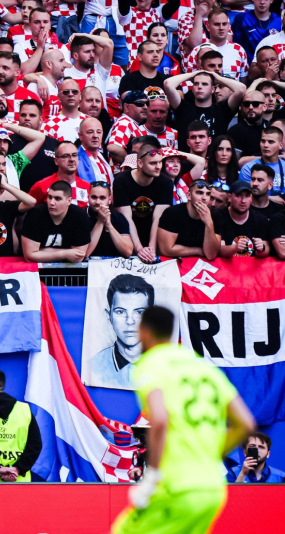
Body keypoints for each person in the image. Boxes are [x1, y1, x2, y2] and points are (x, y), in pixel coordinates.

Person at [111, 306, 256, 534]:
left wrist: (152, 477)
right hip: (212, 490)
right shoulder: (204, 368)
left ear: (144, 331)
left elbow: (159, 419)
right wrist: (210, 456)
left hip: (176, 487)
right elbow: (245, 423)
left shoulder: (152, 364)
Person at [112, 138, 173, 263]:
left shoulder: (165, 182)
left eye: (160, 162)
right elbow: (126, 218)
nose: (158, 167)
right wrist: (139, 248)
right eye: (153, 163)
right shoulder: (121, 181)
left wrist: (151, 249)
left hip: (153, 235)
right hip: (128, 238)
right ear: (140, 163)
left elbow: (158, 218)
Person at [165, 70, 246, 149]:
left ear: (213, 89)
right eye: (196, 84)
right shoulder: (183, 108)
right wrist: (192, 74)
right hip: (187, 157)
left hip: (214, 158)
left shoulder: (221, 110)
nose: (199, 87)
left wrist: (218, 78)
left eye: (204, 84)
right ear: (192, 89)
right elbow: (168, 84)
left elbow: (241, 89)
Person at [21, 180, 90, 263]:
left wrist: (41, 251)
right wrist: (65, 254)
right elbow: (29, 256)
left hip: (70, 269)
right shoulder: (36, 214)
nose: (52, 203)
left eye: (57, 199)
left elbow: (78, 256)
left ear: (69, 201)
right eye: (50, 197)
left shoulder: (79, 216)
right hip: (37, 269)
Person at [157, 180, 220, 260]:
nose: (204, 198)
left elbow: (211, 255)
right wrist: (198, 250)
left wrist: (209, 223)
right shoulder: (173, 213)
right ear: (189, 195)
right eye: (199, 193)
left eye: (208, 194)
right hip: (174, 262)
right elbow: (166, 250)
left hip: (201, 264)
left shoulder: (214, 217)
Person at [214, 180, 271, 258]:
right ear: (230, 198)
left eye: (247, 196)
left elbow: (266, 250)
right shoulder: (218, 216)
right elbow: (219, 250)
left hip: (251, 265)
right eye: (238, 195)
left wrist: (262, 249)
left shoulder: (261, 219)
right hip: (226, 264)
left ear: (251, 198)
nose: (243, 201)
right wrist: (234, 248)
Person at [28, 142, 94, 208]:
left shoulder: (88, 187)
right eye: (66, 156)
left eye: (74, 155)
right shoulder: (41, 186)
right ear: (56, 161)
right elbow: (28, 209)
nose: (71, 159)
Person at [87, 182, 133, 258]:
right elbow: (85, 253)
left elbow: (128, 251)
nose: (97, 202)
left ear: (109, 200)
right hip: (89, 264)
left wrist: (109, 225)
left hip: (114, 264)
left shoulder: (118, 218)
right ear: (88, 198)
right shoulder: (81, 216)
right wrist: (100, 222)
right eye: (94, 197)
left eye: (102, 198)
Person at [106, 91, 148, 167]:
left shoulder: (130, 123)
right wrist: (135, 166)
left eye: (147, 104)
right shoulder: (125, 122)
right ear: (127, 107)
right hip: (120, 172)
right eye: (140, 103)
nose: (145, 107)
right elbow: (113, 148)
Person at [40, 78, 87, 143]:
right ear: (58, 97)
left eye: (74, 91)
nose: (70, 94)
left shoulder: (90, 121)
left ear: (80, 96)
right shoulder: (49, 125)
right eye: (66, 92)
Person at [228, 91, 267, 157]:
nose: (250, 107)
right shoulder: (236, 131)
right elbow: (234, 160)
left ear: (264, 107)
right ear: (242, 107)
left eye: (255, 104)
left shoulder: (270, 126)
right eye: (246, 104)